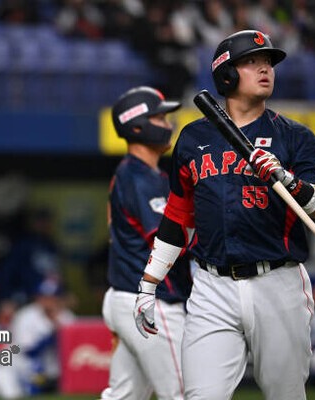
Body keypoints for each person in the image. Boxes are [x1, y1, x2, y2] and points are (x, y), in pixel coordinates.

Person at [133, 30, 315, 400]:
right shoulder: (193, 139)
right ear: (226, 74)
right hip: (212, 287)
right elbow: (178, 218)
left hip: (278, 282)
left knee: (285, 395)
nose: (265, 69)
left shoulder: (295, 136)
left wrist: (289, 181)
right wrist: (149, 284)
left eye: (268, 62)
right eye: (252, 62)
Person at [101, 86, 193, 400]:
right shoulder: (138, 177)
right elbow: (168, 240)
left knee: (125, 395)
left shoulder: (146, 175)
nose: (168, 124)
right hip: (151, 300)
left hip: (128, 295)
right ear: (137, 126)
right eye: (160, 117)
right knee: (186, 393)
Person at [9, 277, 75, 395]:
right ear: (37, 297)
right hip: (25, 364)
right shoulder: (25, 316)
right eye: (44, 297)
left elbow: (74, 348)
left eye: (52, 298)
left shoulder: (67, 316)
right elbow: (29, 351)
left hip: (54, 366)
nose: (47, 301)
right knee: (34, 370)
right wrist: (53, 334)